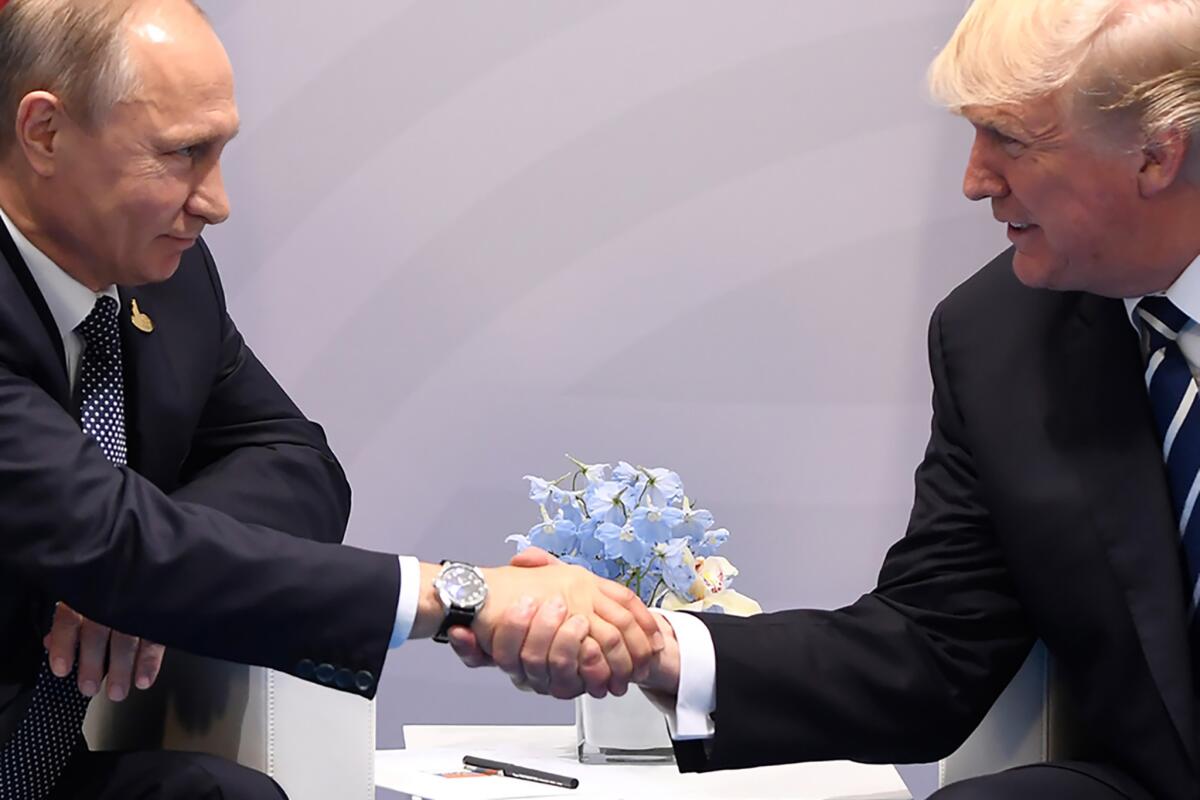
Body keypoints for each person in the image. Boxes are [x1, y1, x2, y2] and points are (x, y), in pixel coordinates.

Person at [453, 1, 1200, 797]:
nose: (974, 180)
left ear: (1156, 155)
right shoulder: (1000, 340)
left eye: (1010, 140)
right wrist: (654, 648)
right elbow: (932, 648)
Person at [0, 1, 662, 798]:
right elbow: (113, 540)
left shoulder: (166, 286)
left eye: (221, 152)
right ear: (44, 132)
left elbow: (297, 463)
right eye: (182, 154)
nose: (215, 201)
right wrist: (460, 597)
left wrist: (140, 577)